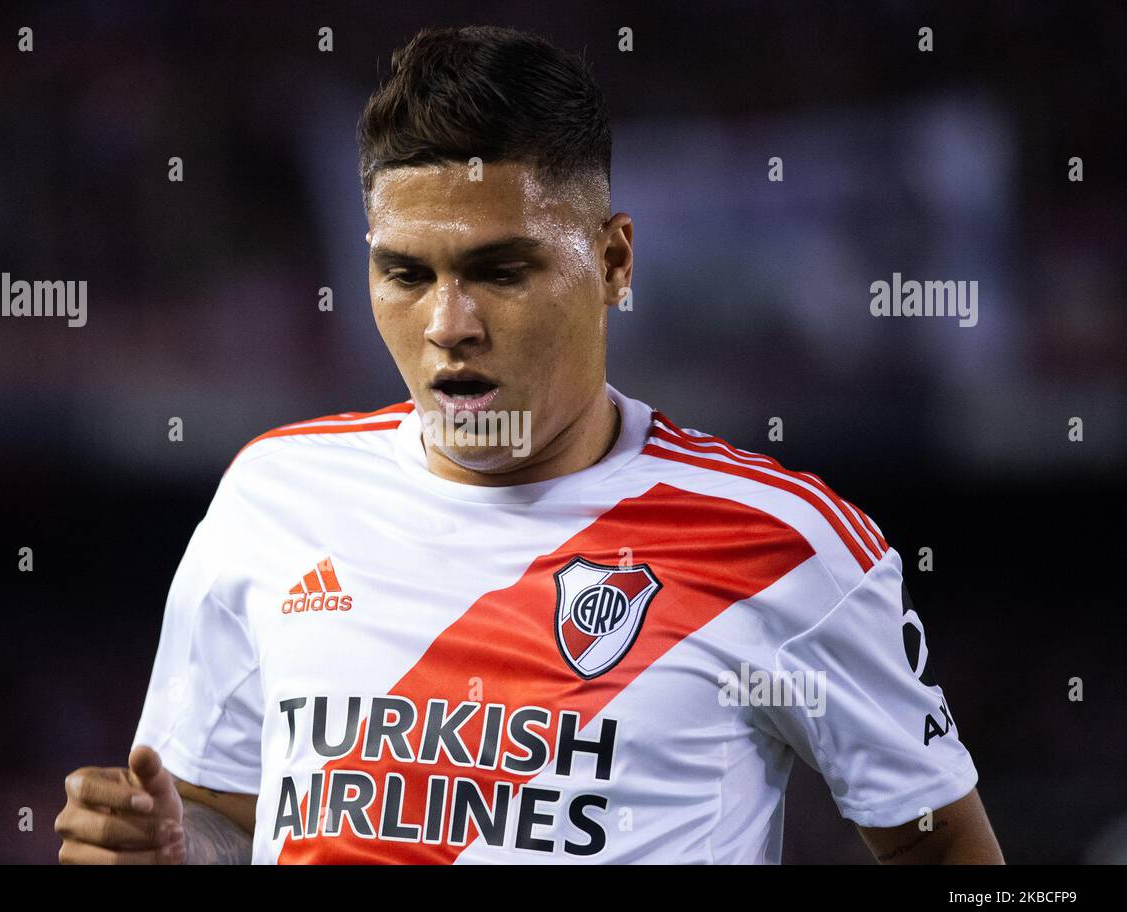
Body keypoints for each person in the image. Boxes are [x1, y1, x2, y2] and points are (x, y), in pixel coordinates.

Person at [56, 25, 1002, 864]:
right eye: (406, 274)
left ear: (614, 263)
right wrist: (177, 850)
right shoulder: (272, 496)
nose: (448, 324)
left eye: (500, 271)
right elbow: (226, 812)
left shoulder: (782, 549)